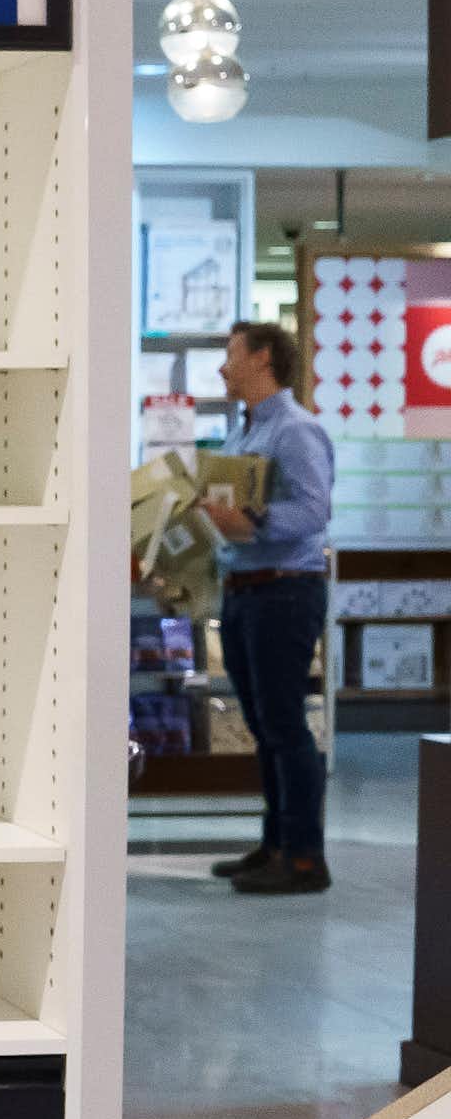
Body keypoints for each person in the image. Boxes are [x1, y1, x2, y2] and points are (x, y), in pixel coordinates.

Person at [210, 319, 334, 895]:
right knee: (265, 726)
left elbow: (313, 513)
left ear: (262, 358)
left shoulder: (297, 431)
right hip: (245, 591)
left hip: (285, 590)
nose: (222, 366)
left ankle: (305, 858)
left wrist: (253, 522)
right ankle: (276, 843)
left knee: (284, 725)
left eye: (231, 354)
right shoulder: (242, 434)